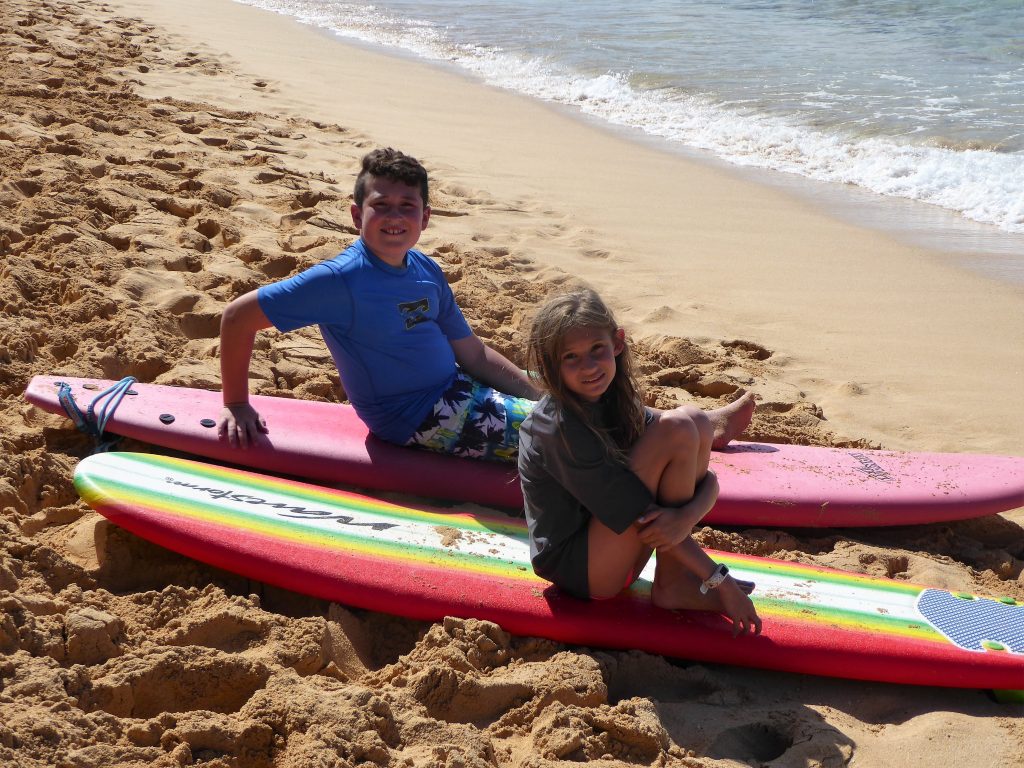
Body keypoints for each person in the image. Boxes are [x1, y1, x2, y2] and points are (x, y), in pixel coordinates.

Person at [217, 147, 538, 461]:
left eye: (407, 205)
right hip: (420, 417)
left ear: (424, 217)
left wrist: (540, 394)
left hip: (459, 386)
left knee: (571, 388)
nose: (394, 216)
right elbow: (237, 317)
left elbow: (474, 355)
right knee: (561, 429)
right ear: (357, 215)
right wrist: (236, 403)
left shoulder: (427, 269)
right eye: (381, 204)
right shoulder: (340, 281)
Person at [518, 288, 761, 636]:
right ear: (549, 365)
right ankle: (676, 582)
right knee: (679, 425)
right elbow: (640, 517)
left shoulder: (613, 396)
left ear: (617, 342)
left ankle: (673, 582)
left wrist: (685, 517)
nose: (588, 367)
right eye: (570, 357)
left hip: (615, 545)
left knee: (690, 420)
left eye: (596, 350)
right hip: (582, 572)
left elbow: (708, 481)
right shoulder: (557, 427)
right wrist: (717, 579)